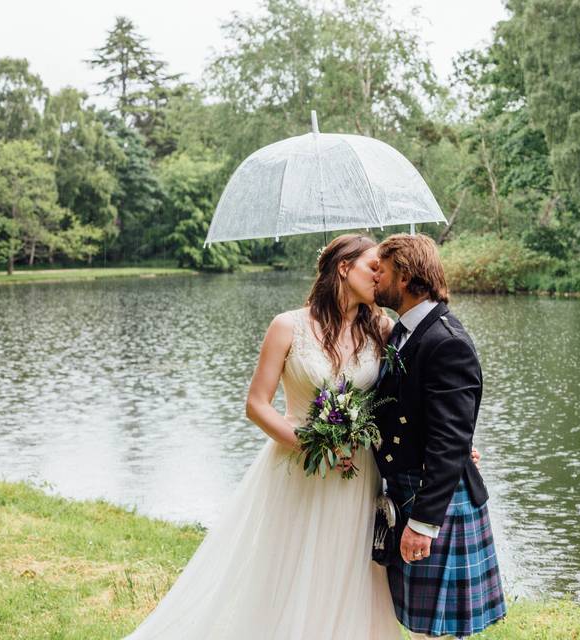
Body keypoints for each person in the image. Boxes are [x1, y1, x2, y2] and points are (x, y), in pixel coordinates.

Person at [125, 234, 402, 639]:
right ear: (344, 268)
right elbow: (257, 404)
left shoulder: (383, 328)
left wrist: (457, 444)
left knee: (349, 570)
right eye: (372, 267)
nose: (380, 276)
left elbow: (406, 404)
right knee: (290, 571)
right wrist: (312, 442)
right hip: (299, 467)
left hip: (357, 472)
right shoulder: (288, 325)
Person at [372, 233, 506, 639]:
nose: (375, 278)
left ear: (407, 276)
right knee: (422, 629)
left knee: (438, 633)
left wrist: (424, 524)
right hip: (409, 487)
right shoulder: (404, 332)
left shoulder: (446, 342)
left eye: (382, 271)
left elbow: (449, 442)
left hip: (436, 499)